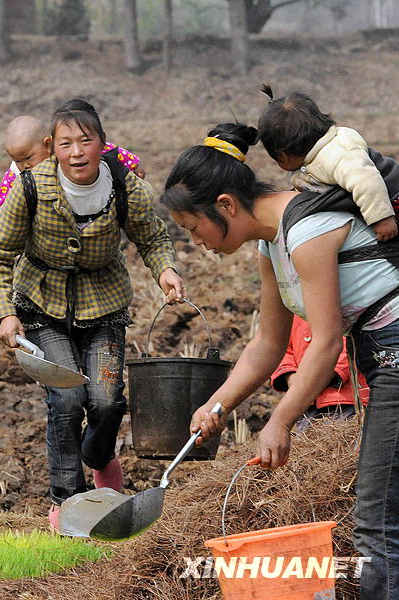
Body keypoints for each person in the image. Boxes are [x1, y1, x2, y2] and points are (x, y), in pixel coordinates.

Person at [159, 122, 399, 600]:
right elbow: (269, 344)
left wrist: (282, 420)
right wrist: (217, 406)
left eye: (193, 228)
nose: (197, 241)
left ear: (225, 205)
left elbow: (326, 341)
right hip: (383, 358)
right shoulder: (274, 243)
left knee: (377, 521)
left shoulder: (307, 231)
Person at [0, 99, 185, 529]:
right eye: (67, 143)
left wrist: (165, 270)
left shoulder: (122, 185)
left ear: (102, 144)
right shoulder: (30, 187)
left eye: (86, 141)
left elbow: (151, 236)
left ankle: (98, 454)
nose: (77, 152)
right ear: (53, 147)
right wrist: (3, 314)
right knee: (68, 399)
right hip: (41, 305)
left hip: (103, 304)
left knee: (107, 402)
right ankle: (66, 501)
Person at [257, 86, 398, 241]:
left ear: (283, 156)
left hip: (392, 200)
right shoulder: (311, 160)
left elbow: (367, 182)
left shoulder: (339, 152)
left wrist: (382, 219)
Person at [0, 115, 146, 222]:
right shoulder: (16, 174)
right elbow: (0, 203)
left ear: (48, 144)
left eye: (28, 158)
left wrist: (133, 164)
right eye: (17, 160)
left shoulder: (63, 152)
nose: (24, 165)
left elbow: (104, 149)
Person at [271, 315, 369, 431]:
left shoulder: (346, 303)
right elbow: (278, 348)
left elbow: (351, 342)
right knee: (309, 444)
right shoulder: (291, 305)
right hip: (305, 404)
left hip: (346, 401)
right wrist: (292, 378)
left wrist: (311, 379)